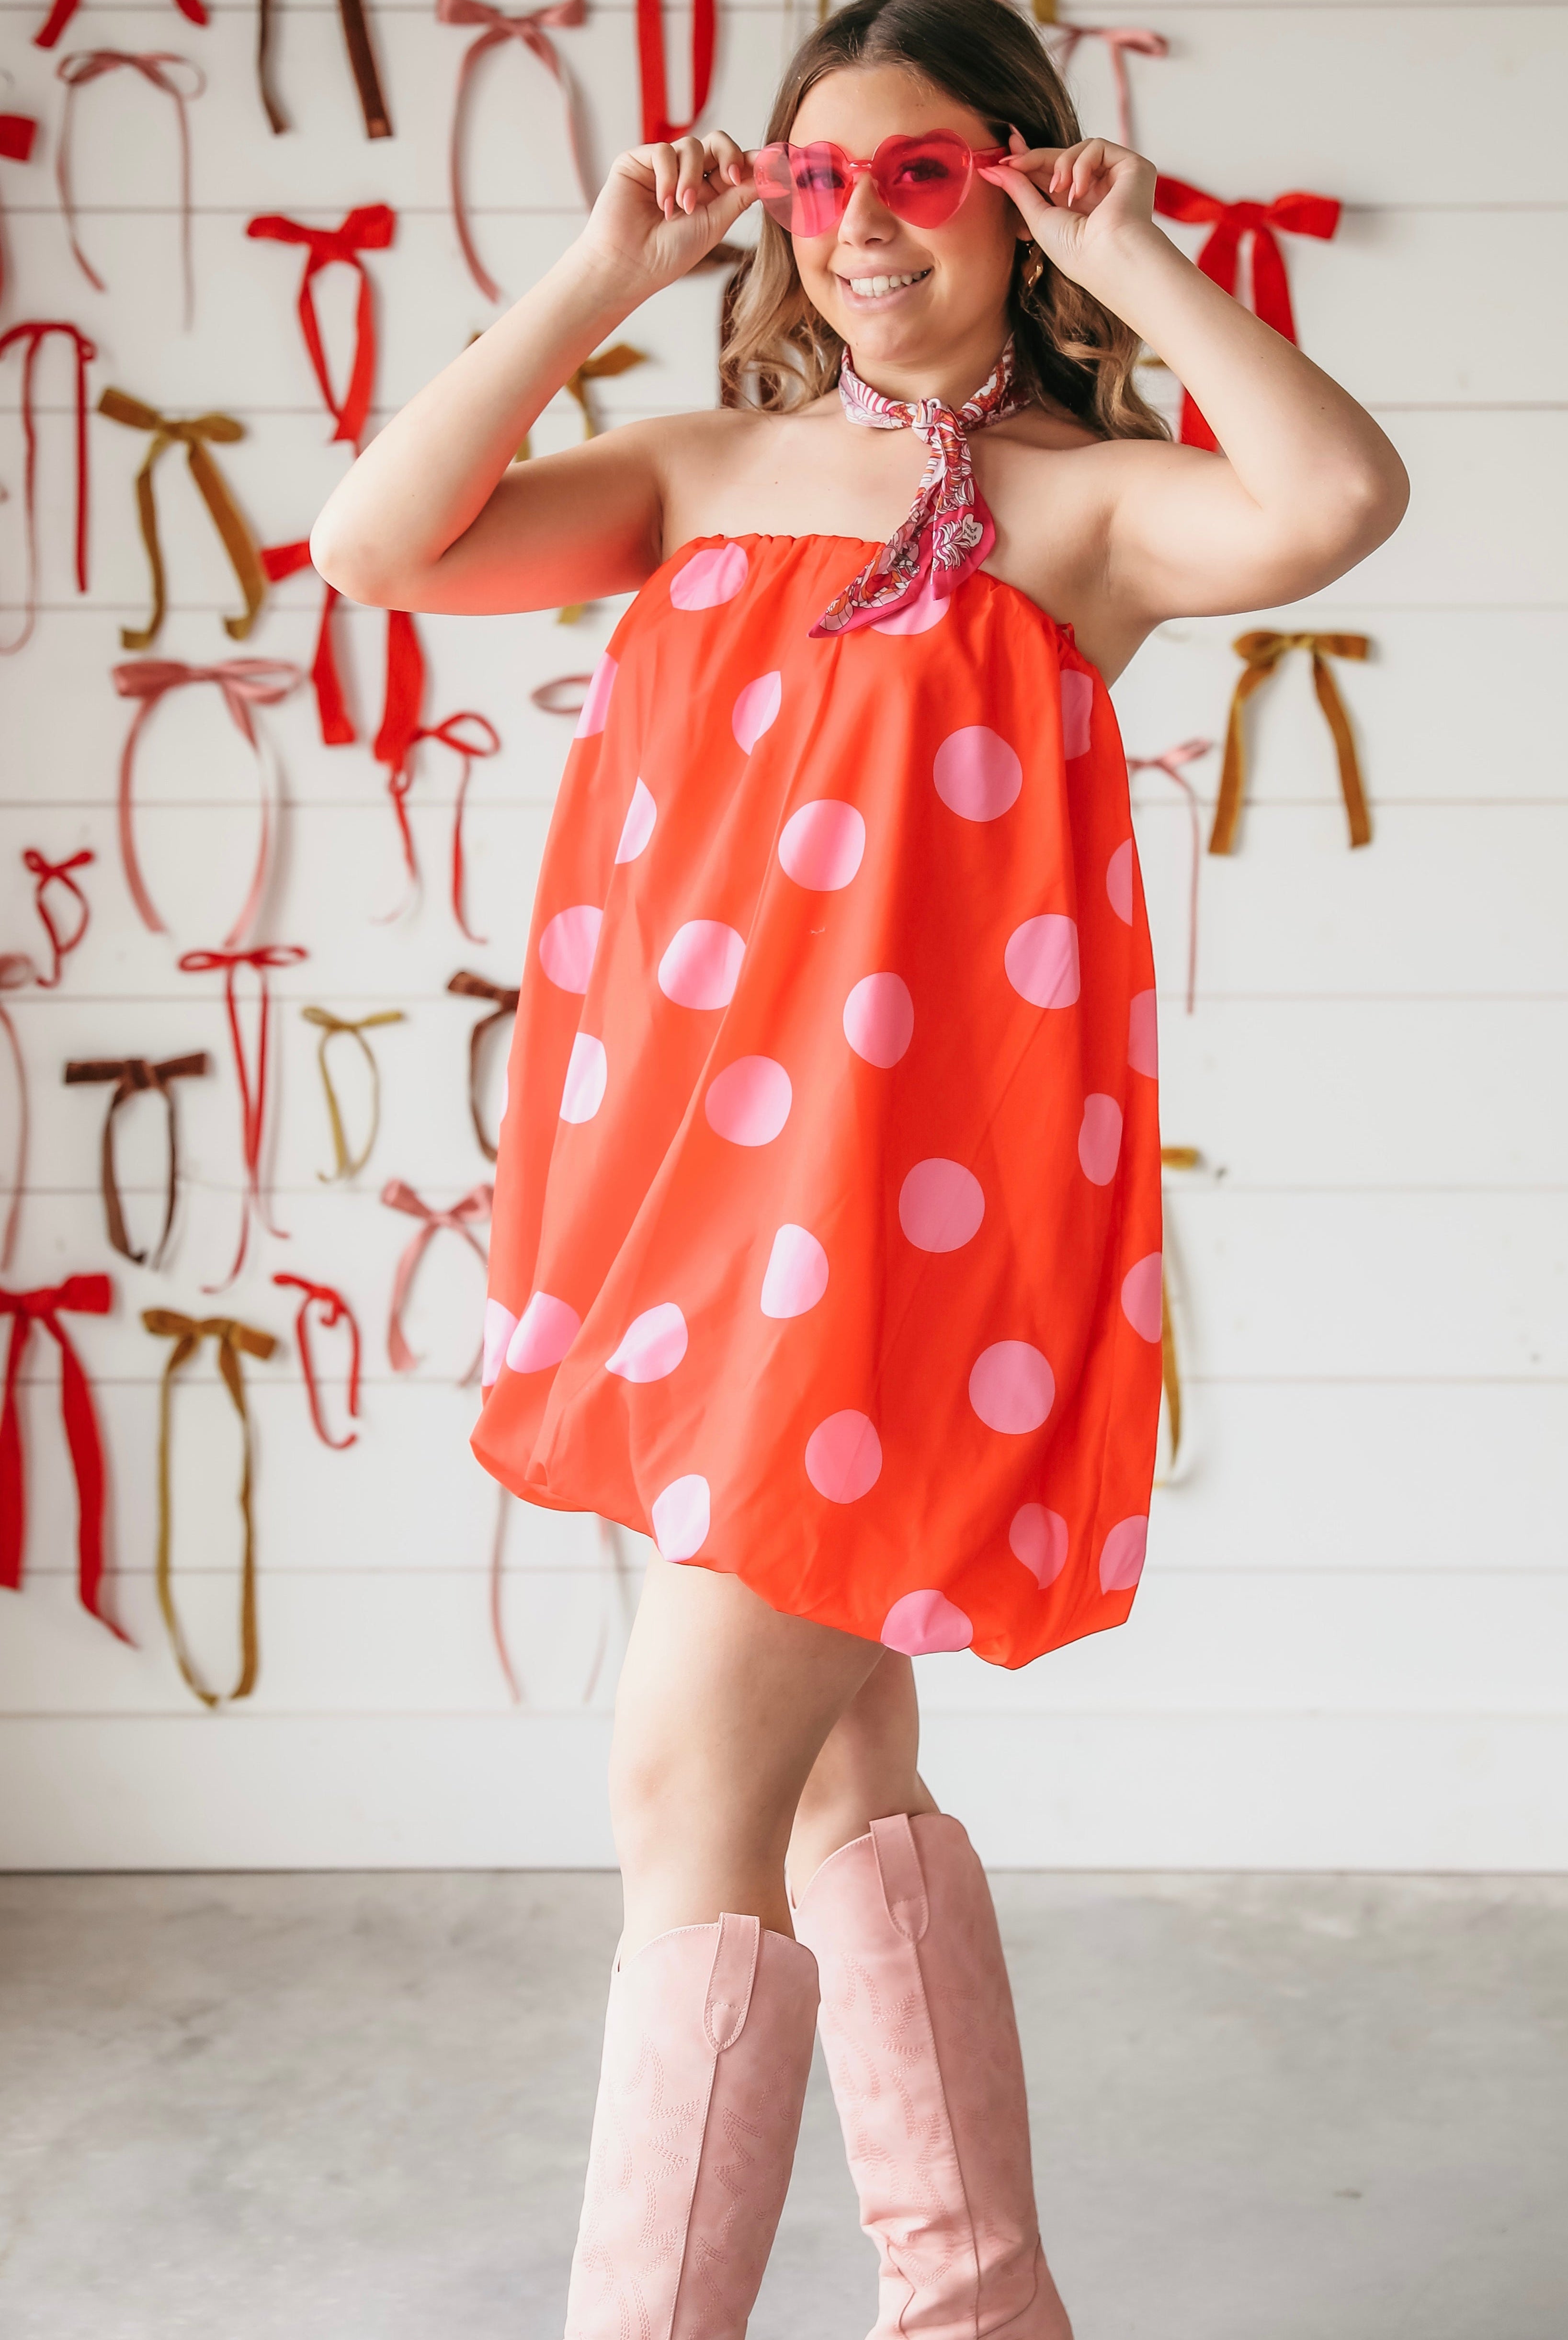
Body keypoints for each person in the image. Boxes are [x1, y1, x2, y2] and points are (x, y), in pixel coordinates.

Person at [312, 0, 1407, 2329]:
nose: (865, 226)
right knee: (837, 1781)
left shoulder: (1077, 514)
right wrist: (598, 276)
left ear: (1020, 185)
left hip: (899, 1240)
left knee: (678, 1796)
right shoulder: (705, 465)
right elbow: (377, 542)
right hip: (690, 1222)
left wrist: (1154, 263)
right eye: (824, 182)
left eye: (927, 175)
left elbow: (1331, 496)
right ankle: (982, 2303)